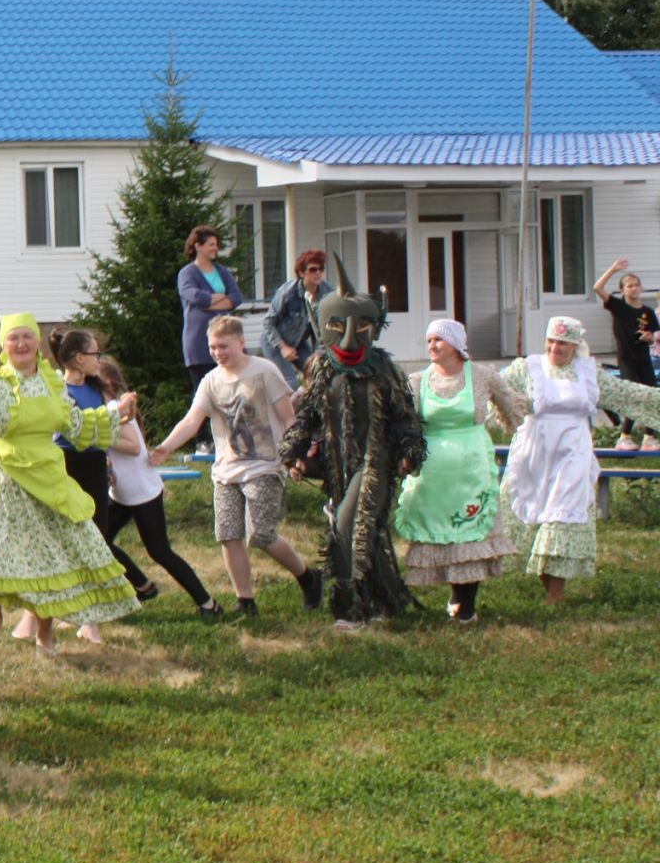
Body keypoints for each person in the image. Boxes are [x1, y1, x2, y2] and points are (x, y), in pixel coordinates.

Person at [0, 313, 141, 657]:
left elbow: (76, 425)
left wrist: (116, 413)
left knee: (50, 554)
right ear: (3, 344)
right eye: (13, 338)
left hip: (46, 476)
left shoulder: (53, 383)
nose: (21, 344)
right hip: (3, 478)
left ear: (37, 342)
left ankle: (45, 632)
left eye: (27, 336)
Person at [278, 258, 427, 627]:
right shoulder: (323, 369)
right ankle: (385, 600)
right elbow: (308, 416)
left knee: (349, 527)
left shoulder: (384, 370)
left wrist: (409, 452)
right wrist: (294, 452)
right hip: (337, 464)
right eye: (338, 326)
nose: (348, 337)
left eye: (360, 326)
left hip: (374, 461)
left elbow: (406, 417)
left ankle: (351, 609)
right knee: (366, 532)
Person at [152, 316, 325, 620]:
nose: (218, 353)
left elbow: (288, 418)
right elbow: (193, 421)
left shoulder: (265, 371)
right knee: (229, 534)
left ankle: (308, 577)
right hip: (226, 470)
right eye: (212, 347)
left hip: (265, 464)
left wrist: (297, 453)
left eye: (223, 346)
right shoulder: (211, 381)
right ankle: (245, 601)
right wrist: (165, 447)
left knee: (261, 533)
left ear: (241, 343)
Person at [497, 316, 660, 601]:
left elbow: (630, 395)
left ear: (574, 346)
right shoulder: (528, 368)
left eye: (562, 342)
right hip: (534, 454)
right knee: (535, 517)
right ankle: (546, 584)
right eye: (551, 341)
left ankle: (555, 596)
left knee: (561, 519)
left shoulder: (589, 373)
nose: (555, 348)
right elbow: (492, 388)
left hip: (573, 453)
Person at [392, 320, 522, 623]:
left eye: (439, 339)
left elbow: (510, 405)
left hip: (471, 467)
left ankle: (466, 602)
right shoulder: (418, 381)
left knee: (469, 533)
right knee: (440, 531)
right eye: (429, 340)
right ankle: (454, 591)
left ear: (455, 343)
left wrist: (518, 426)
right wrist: (404, 454)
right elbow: (405, 422)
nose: (433, 346)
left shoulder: (481, 376)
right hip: (433, 472)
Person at [93, 358, 223, 618]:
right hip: (122, 494)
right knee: (98, 540)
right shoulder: (106, 409)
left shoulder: (114, 409)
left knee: (159, 551)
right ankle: (143, 585)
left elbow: (133, 447)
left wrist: (96, 436)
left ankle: (209, 604)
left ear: (105, 383)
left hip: (142, 492)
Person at [46, 328, 136, 644]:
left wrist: (108, 458)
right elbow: (74, 431)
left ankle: (89, 617)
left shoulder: (96, 387)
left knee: (95, 540)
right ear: (80, 358)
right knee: (69, 541)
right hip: (68, 467)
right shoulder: (57, 389)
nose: (100, 360)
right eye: (95, 354)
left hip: (94, 466)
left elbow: (104, 431)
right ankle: (75, 614)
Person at [176, 225, 244, 450]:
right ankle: (202, 439)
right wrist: (218, 299)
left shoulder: (221, 271)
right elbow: (194, 297)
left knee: (228, 388)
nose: (216, 249)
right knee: (202, 392)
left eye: (216, 245)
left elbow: (236, 297)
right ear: (198, 246)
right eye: (211, 245)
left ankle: (227, 437)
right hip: (198, 342)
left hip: (224, 340)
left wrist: (215, 300)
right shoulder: (188, 273)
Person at [590, 259, 660, 450]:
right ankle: (624, 436)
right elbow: (597, 287)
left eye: (637, 285)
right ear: (623, 290)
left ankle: (649, 437)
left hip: (644, 358)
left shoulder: (647, 312)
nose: (634, 288)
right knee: (634, 395)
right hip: (627, 358)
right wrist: (613, 269)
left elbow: (653, 338)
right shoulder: (618, 307)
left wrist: (648, 338)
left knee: (652, 396)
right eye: (630, 286)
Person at [262, 251, 333, 385]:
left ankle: (311, 405)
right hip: (275, 342)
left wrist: (317, 353)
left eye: (321, 269)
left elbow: (324, 328)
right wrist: (283, 348)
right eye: (313, 269)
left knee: (317, 374)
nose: (318, 273)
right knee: (290, 382)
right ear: (301, 273)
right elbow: (268, 322)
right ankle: (288, 405)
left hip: (298, 343)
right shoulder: (288, 292)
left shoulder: (328, 293)